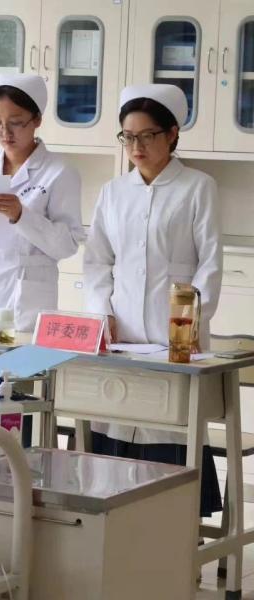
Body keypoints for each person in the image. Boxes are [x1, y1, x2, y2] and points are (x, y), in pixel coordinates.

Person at [83, 83, 223, 516]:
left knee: (170, 431)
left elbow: (210, 262)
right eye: (128, 137)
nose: (136, 147)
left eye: (147, 136)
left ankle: (174, 536)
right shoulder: (113, 192)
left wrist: (189, 324)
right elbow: (96, 261)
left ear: (172, 134)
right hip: (121, 335)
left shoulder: (198, 187)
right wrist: (102, 313)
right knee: (117, 427)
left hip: (175, 338)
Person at [0, 73, 84, 332]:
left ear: (37, 120)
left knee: (17, 359)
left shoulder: (60, 172)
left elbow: (67, 246)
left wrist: (22, 216)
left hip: (23, 306)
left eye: (16, 123)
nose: (5, 132)